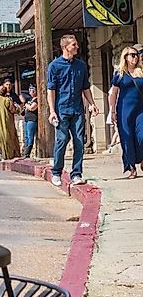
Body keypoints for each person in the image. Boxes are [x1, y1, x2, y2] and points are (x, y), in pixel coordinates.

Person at [47, 33, 99, 187]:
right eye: (73, 45)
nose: (77, 47)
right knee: (62, 140)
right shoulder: (54, 66)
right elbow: (51, 90)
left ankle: (76, 174)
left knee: (79, 141)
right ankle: (56, 172)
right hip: (61, 110)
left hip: (77, 110)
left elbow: (85, 87)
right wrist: (52, 111)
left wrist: (92, 103)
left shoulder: (81, 65)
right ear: (65, 47)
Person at [108, 45, 143, 179]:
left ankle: (140, 158)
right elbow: (113, 93)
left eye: (137, 55)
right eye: (132, 55)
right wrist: (112, 111)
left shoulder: (141, 72)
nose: (135, 57)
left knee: (141, 135)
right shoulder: (120, 74)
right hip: (124, 110)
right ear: (125, 57)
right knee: (126, 138)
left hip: (140, 109)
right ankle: (131, 168)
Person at [0, 81, 21, 161]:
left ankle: (4, 154)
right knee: (10, 138)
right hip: (7, 122)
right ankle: (11, 155)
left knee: (1, 138)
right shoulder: (7, 100)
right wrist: (19, 108)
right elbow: (13, 110)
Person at [20, 84, 39, 158]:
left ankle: (27, 152)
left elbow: (32, 108)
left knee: (30, 136)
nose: (31, 91)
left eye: (32, 89)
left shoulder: (37, 99)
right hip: (26, 119)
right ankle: (25, 152)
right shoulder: (30, 99)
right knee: (26, 136)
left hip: (32, 119)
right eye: (30, 89)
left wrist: (25, 104)